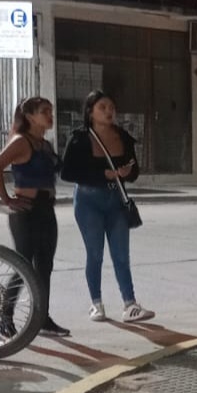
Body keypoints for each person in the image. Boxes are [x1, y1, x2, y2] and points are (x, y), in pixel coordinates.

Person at [60, 90, 155, 324]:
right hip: (88, 201)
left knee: (121, 255)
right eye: (102, 107)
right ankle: (96, 304)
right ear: (90, 112)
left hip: (116, 200)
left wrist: (126, 172)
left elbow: (134, 170)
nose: (109, 111)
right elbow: (67, 172)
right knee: (95, 254)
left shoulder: (123, 137)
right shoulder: (80, 138)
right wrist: (103, 174)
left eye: (111, 107)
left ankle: (130, 304)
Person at [0, 96, 70, 338]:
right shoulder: (21, 142)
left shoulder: (44, 144)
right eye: (45, 112)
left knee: (45, 266)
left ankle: (42, 317)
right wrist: (6, 199)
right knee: (23, 265)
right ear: (30, 117)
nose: (50, 116)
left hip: (46, 210)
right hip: (26, 211)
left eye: (51, 111)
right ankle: (5, 317)